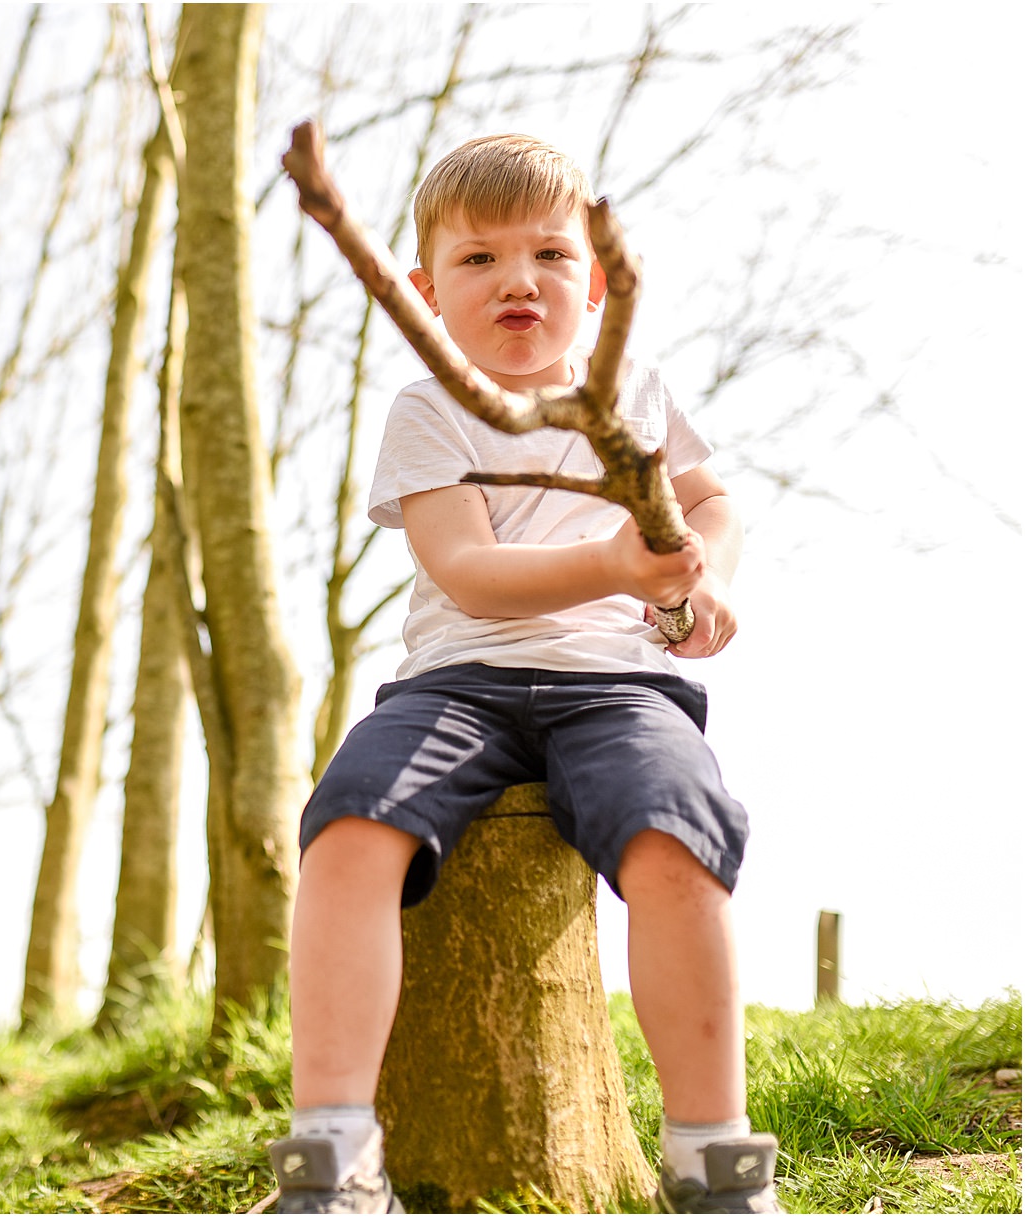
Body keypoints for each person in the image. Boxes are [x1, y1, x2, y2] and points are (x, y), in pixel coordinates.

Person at [267, 133, 779, 1215]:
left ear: (594, 283)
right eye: (477, 259)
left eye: (548, 253)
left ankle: (711, 1159)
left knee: (675, 839)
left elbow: (713, 502)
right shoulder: (429, 411)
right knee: (349, 828)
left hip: (620, 688)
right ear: (423, 294)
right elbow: (465, 572)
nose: (516, 279)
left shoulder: (633, 389)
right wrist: (608, 560)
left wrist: (710, 578)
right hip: (459, 684)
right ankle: (332, 1157)